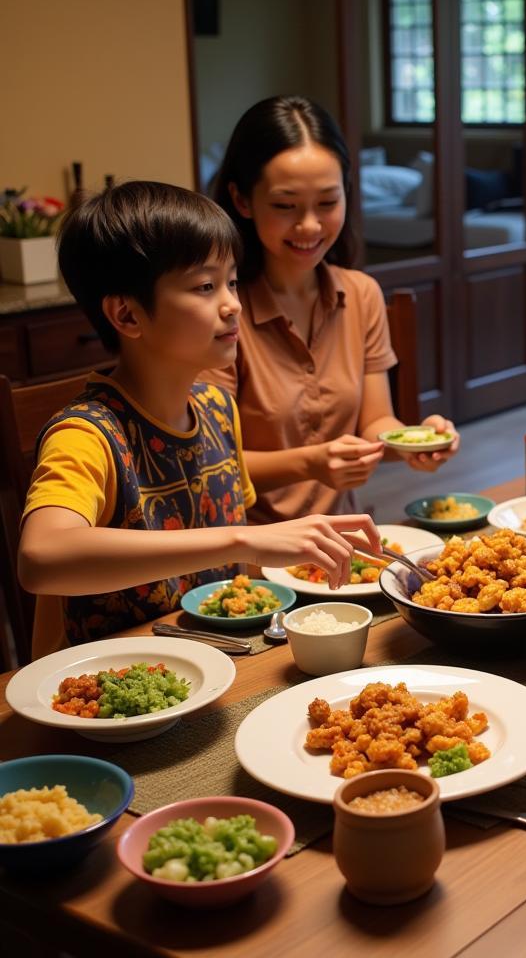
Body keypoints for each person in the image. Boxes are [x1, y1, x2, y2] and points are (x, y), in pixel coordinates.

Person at [18, 182, 380, 658]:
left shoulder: (215, 407)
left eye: (231, 282)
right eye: (205, 287)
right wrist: (243, 539)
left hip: (215, 660)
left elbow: (239, 580)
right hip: (105, 687)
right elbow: (41, 558)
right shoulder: (87, 434)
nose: (233, 304)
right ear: (127, 314)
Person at [205, 96, 458, 525]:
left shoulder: (360, 294)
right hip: (247, 559)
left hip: (339, 544)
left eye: (327, 202)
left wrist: (417, 443)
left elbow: (376, 422)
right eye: (285, 205)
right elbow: (208, 468)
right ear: (242, 200)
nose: (309, 226)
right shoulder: (221, 310)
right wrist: (311, 463)